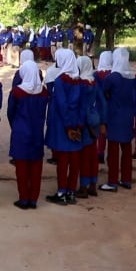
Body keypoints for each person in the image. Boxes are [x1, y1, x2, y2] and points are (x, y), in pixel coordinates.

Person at [7, 60, 49, 209]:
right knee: (36, 167)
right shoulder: (44, 92)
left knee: (22, 167)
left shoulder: (17, 92)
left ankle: (24, 198)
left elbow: (10, 113)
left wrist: (15, 126)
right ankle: (33, 199)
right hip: (37, 131)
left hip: (20, 131)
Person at [44, 49, 82, 205]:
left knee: (63, 161)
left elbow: (61, 105)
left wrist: (68, 127)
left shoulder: (60, 81)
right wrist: (78, 125)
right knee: (74, 161)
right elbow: (81, 105)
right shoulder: (78, 80)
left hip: (62, 125)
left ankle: (61, 193)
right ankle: (71, 192)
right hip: (77, 123)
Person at [99, 47, 136, 192]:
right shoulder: (132, 76)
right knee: (126, 150)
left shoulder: (112, 77)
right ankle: (126, 179)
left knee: (113, 152)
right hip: (128, 116)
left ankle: (112, 181)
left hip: (114, 116)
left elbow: (103, 94)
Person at [76, 55, 105, 199]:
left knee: (84, 157)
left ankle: (83, 186)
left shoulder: (80, 84)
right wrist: (102, 121)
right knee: (93, 155)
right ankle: (93, 184)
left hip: (85, 122)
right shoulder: (94, 82)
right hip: (95, 119)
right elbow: (102, 102)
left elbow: (80, 105)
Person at [94, 50, 113, 164]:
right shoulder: (113, 74)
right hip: (112, 105)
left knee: (100, 133)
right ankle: (110, 155)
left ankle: (100, 153)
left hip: (99, 105)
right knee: (111, 132)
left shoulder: (96, 74)